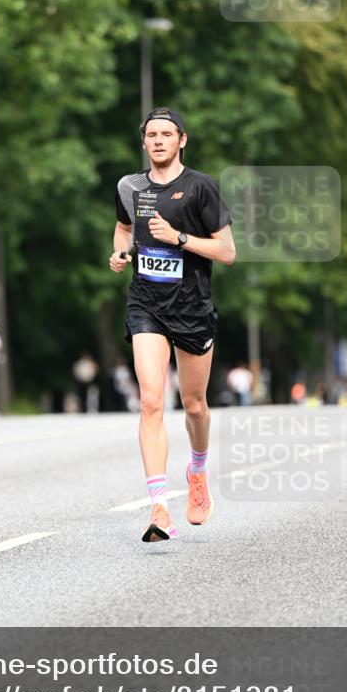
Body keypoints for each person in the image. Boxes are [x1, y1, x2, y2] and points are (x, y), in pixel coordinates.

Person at [110, 106, 235, 543]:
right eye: (151, 134)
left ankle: (198, 470)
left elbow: (227, 252)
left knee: (195, 405)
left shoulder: (201, 187)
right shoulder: (130, 186)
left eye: (167, 134)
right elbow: (124, 229)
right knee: (150, 402)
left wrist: (179, 238)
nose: (158, 140)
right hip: (146, 303)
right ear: (143, 141)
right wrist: (121, 252)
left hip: (193, 308)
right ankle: (160, 507)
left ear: (182, 140)